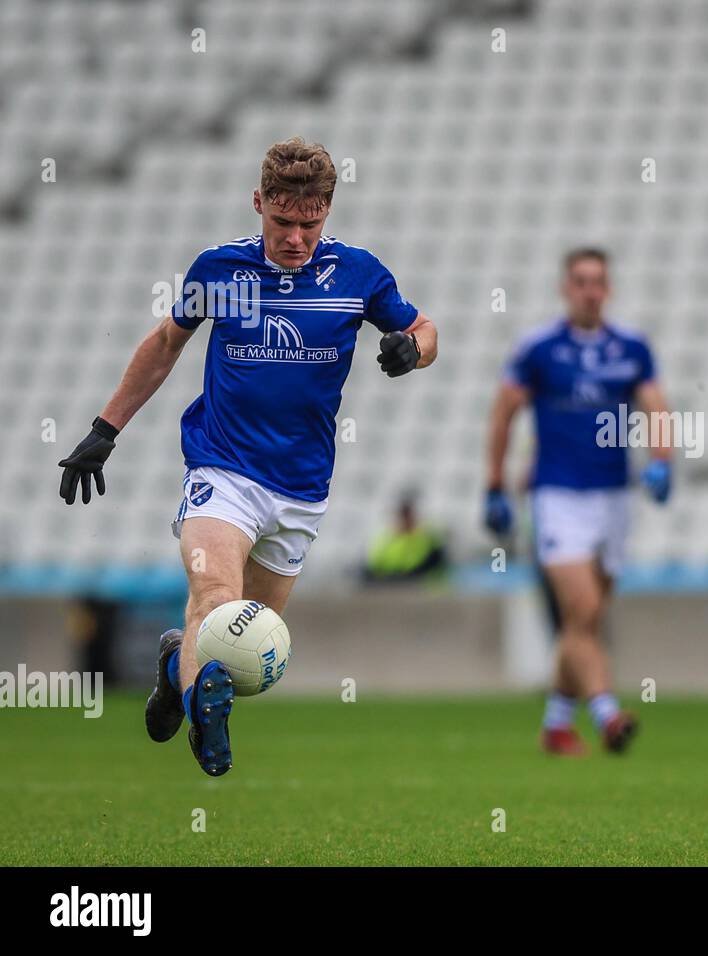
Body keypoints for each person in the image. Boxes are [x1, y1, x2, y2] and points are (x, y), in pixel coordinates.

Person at [56, 137, 438, 776]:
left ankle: (178, 667)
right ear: (259, 202)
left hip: (301, 489)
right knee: (214, 595)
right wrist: (105, 428)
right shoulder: (219, 272)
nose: (295, 237)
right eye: (282, 222)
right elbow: (165, 344)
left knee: (244, 653)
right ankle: (201, 707)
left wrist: (412, 350)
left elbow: (424, 329)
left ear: (327, 212)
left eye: (309, 223)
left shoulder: (359, 274)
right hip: (223, 470)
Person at [484, 248, 673, 756]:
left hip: (613, 498)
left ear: (607, 289)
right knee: (584, 608)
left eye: (598, 282)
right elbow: (503, 413)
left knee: (582, 622)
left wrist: (662, 460)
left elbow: (656, 405)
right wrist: (495, 485)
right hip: (556, 494)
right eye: (581, 281)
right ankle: (608, 714)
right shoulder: (539, 349)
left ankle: (556, 725)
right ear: (565, 288)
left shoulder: (631, 347)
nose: (590, 290)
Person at [362, 495, 448, 583]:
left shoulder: (427, 537)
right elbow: (375, 563)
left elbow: (437, 562)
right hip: (391, 580)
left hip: (417, 580)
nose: (406, 520)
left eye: (408, 515)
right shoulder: (386, 539)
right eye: (403, 516)